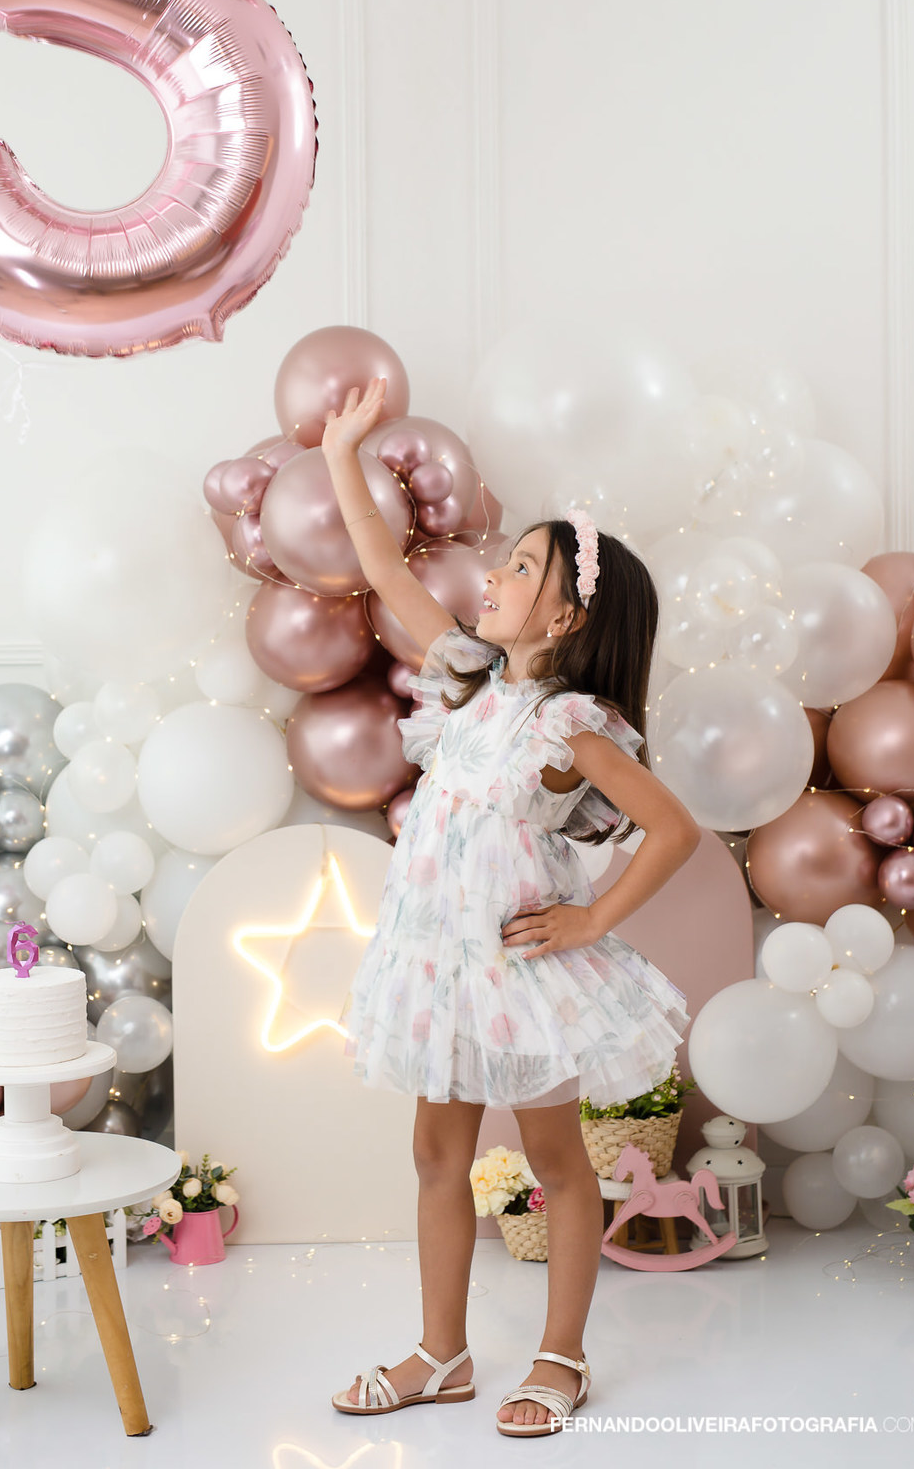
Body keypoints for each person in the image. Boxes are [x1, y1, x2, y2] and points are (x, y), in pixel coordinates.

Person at [323, 375, 700, 1439]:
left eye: (523, 567)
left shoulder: (570, 725)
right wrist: (344, 456)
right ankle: (442, 1353)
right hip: (440, 967)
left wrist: (592, 920)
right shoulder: (469, 682)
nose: (495, 575)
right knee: (435, 1155)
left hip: (521, 975)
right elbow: (383, 568)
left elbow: (672, 830)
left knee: (555, 1162)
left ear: (569, 615)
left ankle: (559, 1356)